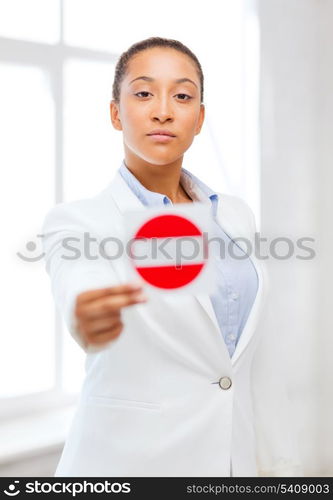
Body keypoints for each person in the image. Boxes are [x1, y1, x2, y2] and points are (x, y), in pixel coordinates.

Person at [42, 37, 301, 477]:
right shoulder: (80, 221)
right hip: (130, 465)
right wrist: (84, 311)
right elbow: (78, 281)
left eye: (182, 96)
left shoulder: (233, 214)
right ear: (115, 112)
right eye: (143, 93)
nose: (163, 110)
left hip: (230, 464)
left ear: (199, 118)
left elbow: (241, 358)